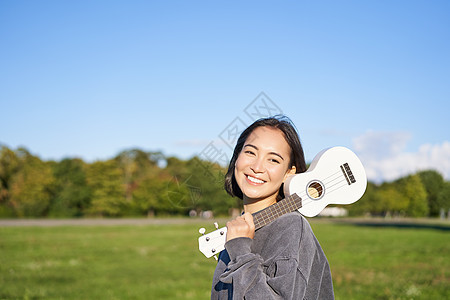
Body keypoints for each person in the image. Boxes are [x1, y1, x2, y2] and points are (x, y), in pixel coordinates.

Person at [211, 115, 334, 299]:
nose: (257, 167)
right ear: (237, 156)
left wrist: (240, 251)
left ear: (289, 173)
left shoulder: (291, 226)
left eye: (273, 160)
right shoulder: (240, 230)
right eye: (250, 152)